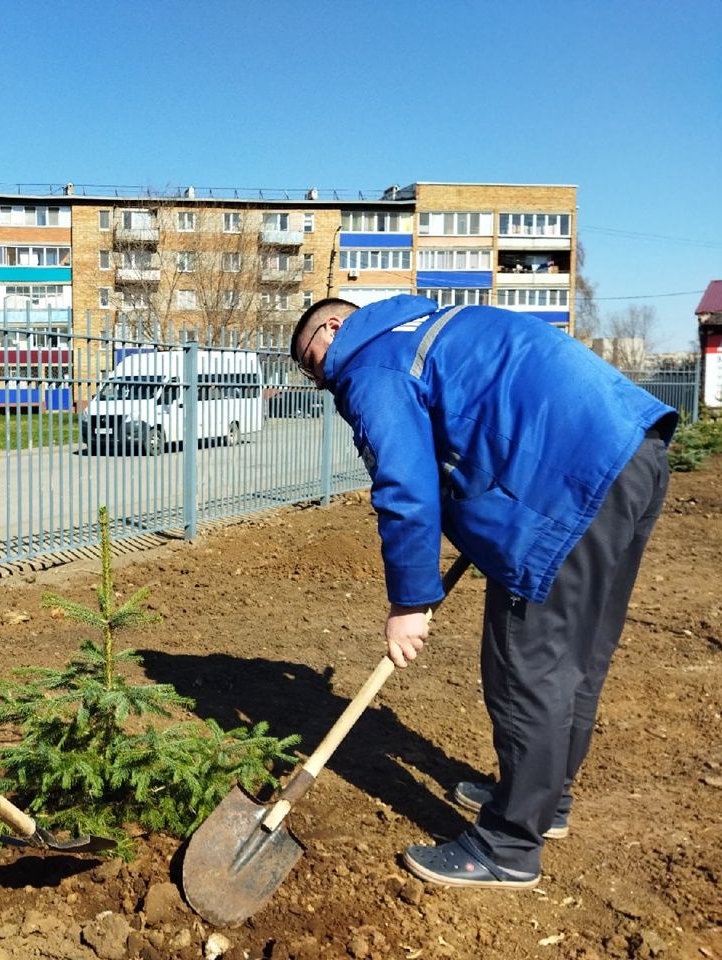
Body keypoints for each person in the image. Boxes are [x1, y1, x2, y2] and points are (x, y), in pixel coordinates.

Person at [289, 295, 675, 890]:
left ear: (334, 327)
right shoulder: (435, 326)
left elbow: (405, 484)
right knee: (577, 656)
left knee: (527, 667)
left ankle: (507, 847)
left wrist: (409, 604)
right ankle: (548, 802)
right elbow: (482, 427)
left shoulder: (372, 360)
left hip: (563, 487)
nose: (320, 379)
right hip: (631, 450)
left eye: (311, 361)